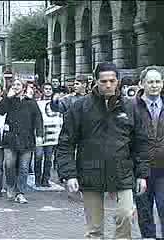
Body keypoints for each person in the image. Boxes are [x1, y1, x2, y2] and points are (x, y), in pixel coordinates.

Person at [57, 62, 149, 239]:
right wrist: (69, 174)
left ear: (118, 81)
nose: (108, 85)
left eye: (112, 81)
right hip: (90, 171)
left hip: (122, 171)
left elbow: (141, 143)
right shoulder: (80, 107)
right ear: (95, 82)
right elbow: (66, 143)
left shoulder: (130, 107)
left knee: (126, 215)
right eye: (103, 81)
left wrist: (142, 175)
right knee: (94, 229)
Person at [0, 78, 43, 204]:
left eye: (18, 84)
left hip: (26, 139)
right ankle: (10, 186)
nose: (15, 86)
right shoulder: (9, 100)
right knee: (9, 165)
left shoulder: (30, 102)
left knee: (24, 167)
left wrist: (39, 134)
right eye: (14, 84)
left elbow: (38, 118)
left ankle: (20, 192)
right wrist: (7, 98)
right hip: (10, 139)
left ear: (23, 87)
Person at [134, 65, 164, 239]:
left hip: (162, 168)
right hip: (140, 170)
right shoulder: (132, 107)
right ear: (142, 84)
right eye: (150, 82)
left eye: (157, 81)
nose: (154, 85)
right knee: (144, 212)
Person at [35, 83, 54, 187]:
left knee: (48, 158)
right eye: (45, 89)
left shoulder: (56, 104)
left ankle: (45, 179)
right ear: (42, 91)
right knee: (38, 157)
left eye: (49, 89)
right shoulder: (37, 103)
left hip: (51, 135)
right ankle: (37, 179)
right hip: (39, 133)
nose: (47, 91)